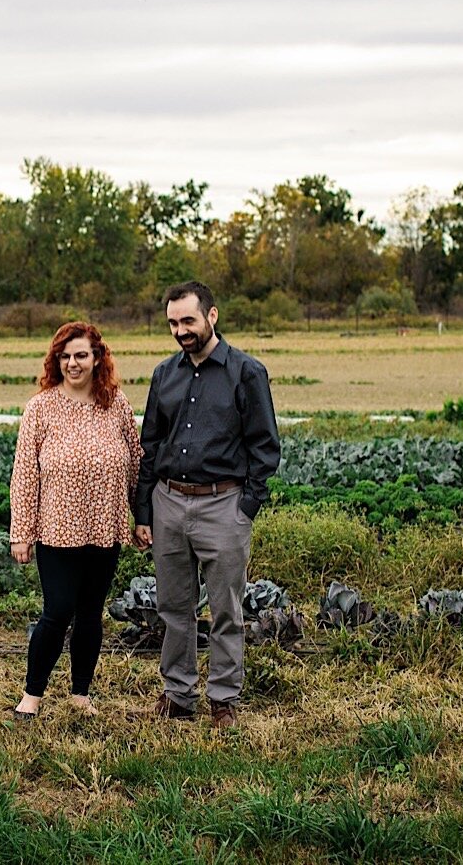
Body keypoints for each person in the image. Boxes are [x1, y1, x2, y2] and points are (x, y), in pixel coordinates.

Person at [133, 281, 280, 729]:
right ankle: (178, 695)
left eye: (188, 321)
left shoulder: (247, 372)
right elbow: (150, 443)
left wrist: (246, 506)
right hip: (170, 503)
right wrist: (144, 511)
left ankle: (223, 699)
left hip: (224, 506)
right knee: (174, 609)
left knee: (226, 610)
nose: (181, 331)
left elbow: (265, 446)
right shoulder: (164, 375)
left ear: (212, 316)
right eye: (173, 323)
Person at [9, 321, 143, 720]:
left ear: (97, 358)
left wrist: (142, 517)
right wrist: (22, 533)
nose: (73, 363)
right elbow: (24, 474)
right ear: (56, 361)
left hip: (105, 526)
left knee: (91, 613)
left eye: (81, 355)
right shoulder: (41, 407)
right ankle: (32, 695)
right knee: (57, 611)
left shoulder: (115, 403)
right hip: (57, 529)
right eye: (65, 356)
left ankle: (80, 693)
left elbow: (136, 462)